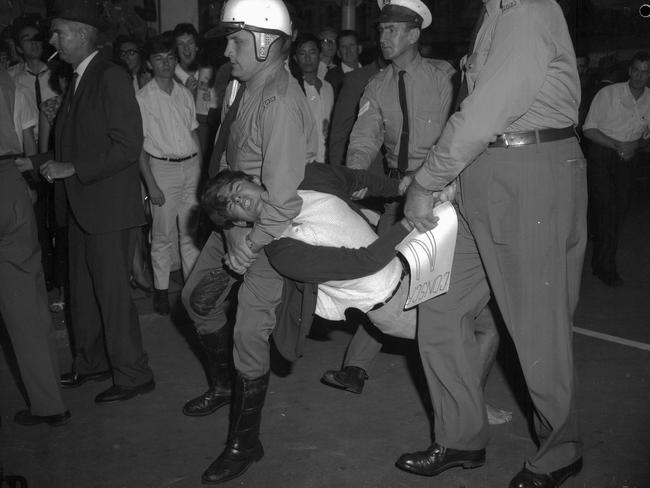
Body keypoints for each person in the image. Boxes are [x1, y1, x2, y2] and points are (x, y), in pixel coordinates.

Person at [398, 1, 586, 487]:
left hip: (530, 170)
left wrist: (427, 179)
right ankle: (461, 436)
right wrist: (456, 177)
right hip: (486, 173)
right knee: (440, 305)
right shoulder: (496, 13)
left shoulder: (528, 10)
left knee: (536, 322)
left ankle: (560, 450)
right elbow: (478, 112)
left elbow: (487, 108)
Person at [180, 0, 317, 483]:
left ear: (263, 41)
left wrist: (248, 243)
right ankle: (223, 386)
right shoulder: (243, 83)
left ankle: (246, 441)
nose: (227, 50)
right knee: (196, 301)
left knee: (248, 336)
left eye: (236, 40)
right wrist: (228, 229)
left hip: (263, 233)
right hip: (231, 222)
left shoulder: (278, 100)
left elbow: (281, 202)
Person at [322, 0, 456, 394]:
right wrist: (356, 176)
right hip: (398, 196)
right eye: (381, 30)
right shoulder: (377, 85)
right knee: (381, 279)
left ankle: (454, 388)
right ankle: (356, 368)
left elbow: (457, 135)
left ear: (414, 35)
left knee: (438, 287)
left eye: (392, 30)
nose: (382, 37)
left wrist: (429, 179)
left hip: (440, 194)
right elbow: (364, 136)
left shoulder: (444, 77)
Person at [38, 0, 155, 404]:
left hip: (106, 208)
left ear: (84, 34)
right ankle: (91, 363)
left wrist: (73, 168)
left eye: (59, 32)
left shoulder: (109, 75)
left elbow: (128, 146)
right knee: (82, 293)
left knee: (112, 296)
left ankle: (133, 373)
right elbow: (87, 136)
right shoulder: (77, 79)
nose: (52, 39)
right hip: (82, 207)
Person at [1, 67, 69, 428]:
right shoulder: (11, 83)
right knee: (27, 301)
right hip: (10, 181)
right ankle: (49, 403)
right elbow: (29, 144)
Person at [136, 32, 201, 315]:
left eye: (170, 58)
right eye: (158, 58)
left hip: (191, 165)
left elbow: (193, 132)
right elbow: (138, 146)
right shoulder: (142, 98)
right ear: (149, 63)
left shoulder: (184, 93)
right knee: (162, 233)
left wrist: (201, 169)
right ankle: (161, 290)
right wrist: (151, 184)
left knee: (189, 231)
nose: (165, 63)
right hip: (162, 167)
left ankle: (192, 289)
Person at [582, 51, 650, 287]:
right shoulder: (608, 94)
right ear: (629, 70)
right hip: (603, 154)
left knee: (618, 213)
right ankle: (606, 267)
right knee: (606, 210)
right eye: (637, 70)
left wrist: (636, 144)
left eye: (645, 72)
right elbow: (589, 129)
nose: (640, 76)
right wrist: (618, 145)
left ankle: (600, 262)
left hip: (629, 159)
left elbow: (647, 136)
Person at [292, 32, 334, 163]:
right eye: (302, 54)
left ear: (320, 55)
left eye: (312, 52)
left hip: (327, 161)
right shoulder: (294, 89)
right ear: (295, 58)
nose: (308, 58)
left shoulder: (328, 87)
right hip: (303, 163)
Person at [324, 29, 363, 95]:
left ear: (359, 49)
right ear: (339, 53)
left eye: (352, 45)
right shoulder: (332, 77)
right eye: (343, 47)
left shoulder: (369, 74)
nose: (348, 50)